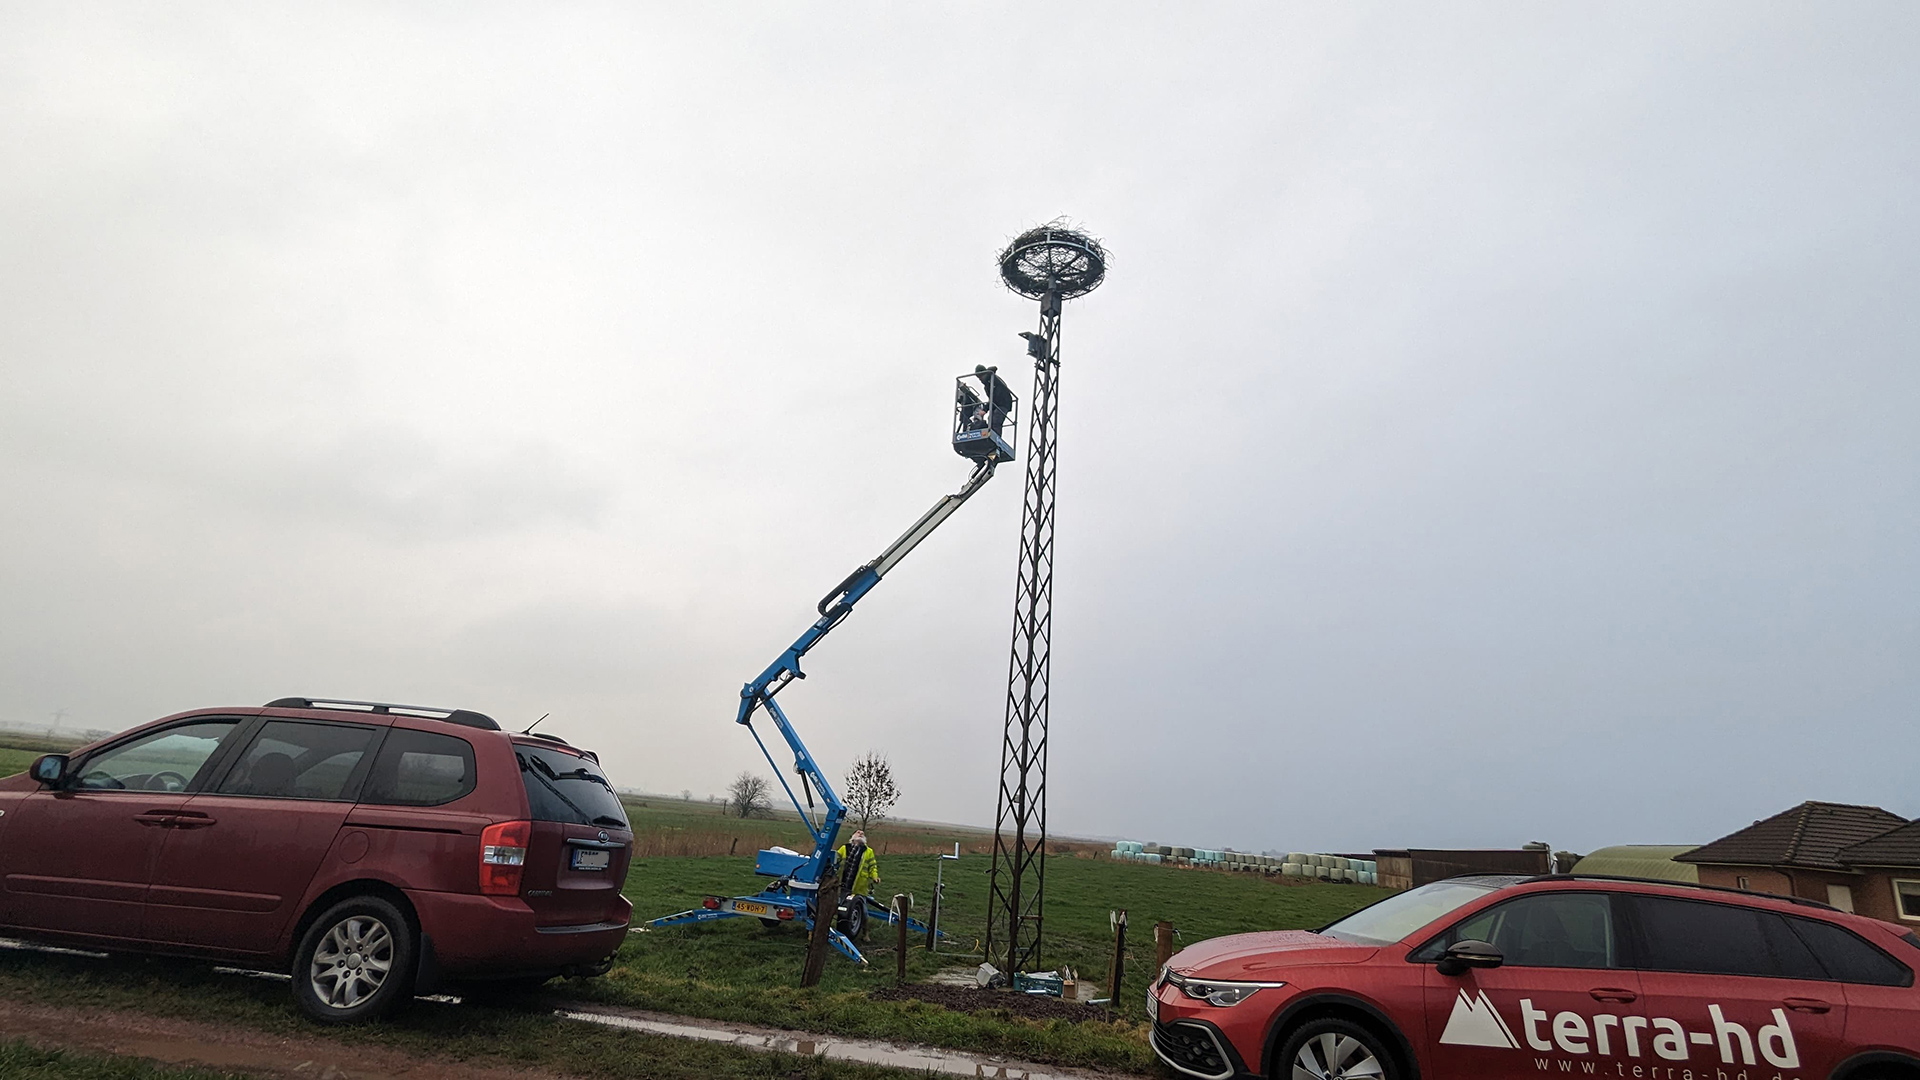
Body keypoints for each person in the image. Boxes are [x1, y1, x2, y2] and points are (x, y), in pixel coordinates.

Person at [834, 831, 881, 940]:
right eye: (858, 832)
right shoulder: (844, 848)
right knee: (840, 907)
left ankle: (866, 933)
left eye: (862, 833)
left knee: (862, 912)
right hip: (843, 885)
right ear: (852, 837)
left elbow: (872, 867)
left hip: (860, 887)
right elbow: (835, 859)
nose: (860, 832)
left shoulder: (868, 852)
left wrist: (875, 877)